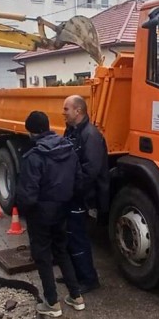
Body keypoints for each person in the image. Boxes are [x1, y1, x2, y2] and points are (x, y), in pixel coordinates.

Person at [15, 111, 85, 317]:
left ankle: (52, 303)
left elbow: (27, 193)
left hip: (41, 212)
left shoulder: (34, 156)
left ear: (32, 132)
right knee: (62, 250)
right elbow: (78, 181)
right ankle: (76, 296)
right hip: (62, 208)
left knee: (43, 256)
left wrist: (26, 211)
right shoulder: (68, 149)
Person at [62, 95, 110, 294]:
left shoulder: (91, 135)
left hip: (83, 196)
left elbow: (91, 170)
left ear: (78, 111)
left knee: (79, 238)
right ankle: (74, 275)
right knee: (69, 236)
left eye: (66, 109)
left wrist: (73, 190)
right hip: (72, 194)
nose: (63, 112)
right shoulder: (71, 131)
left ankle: (89, 279)